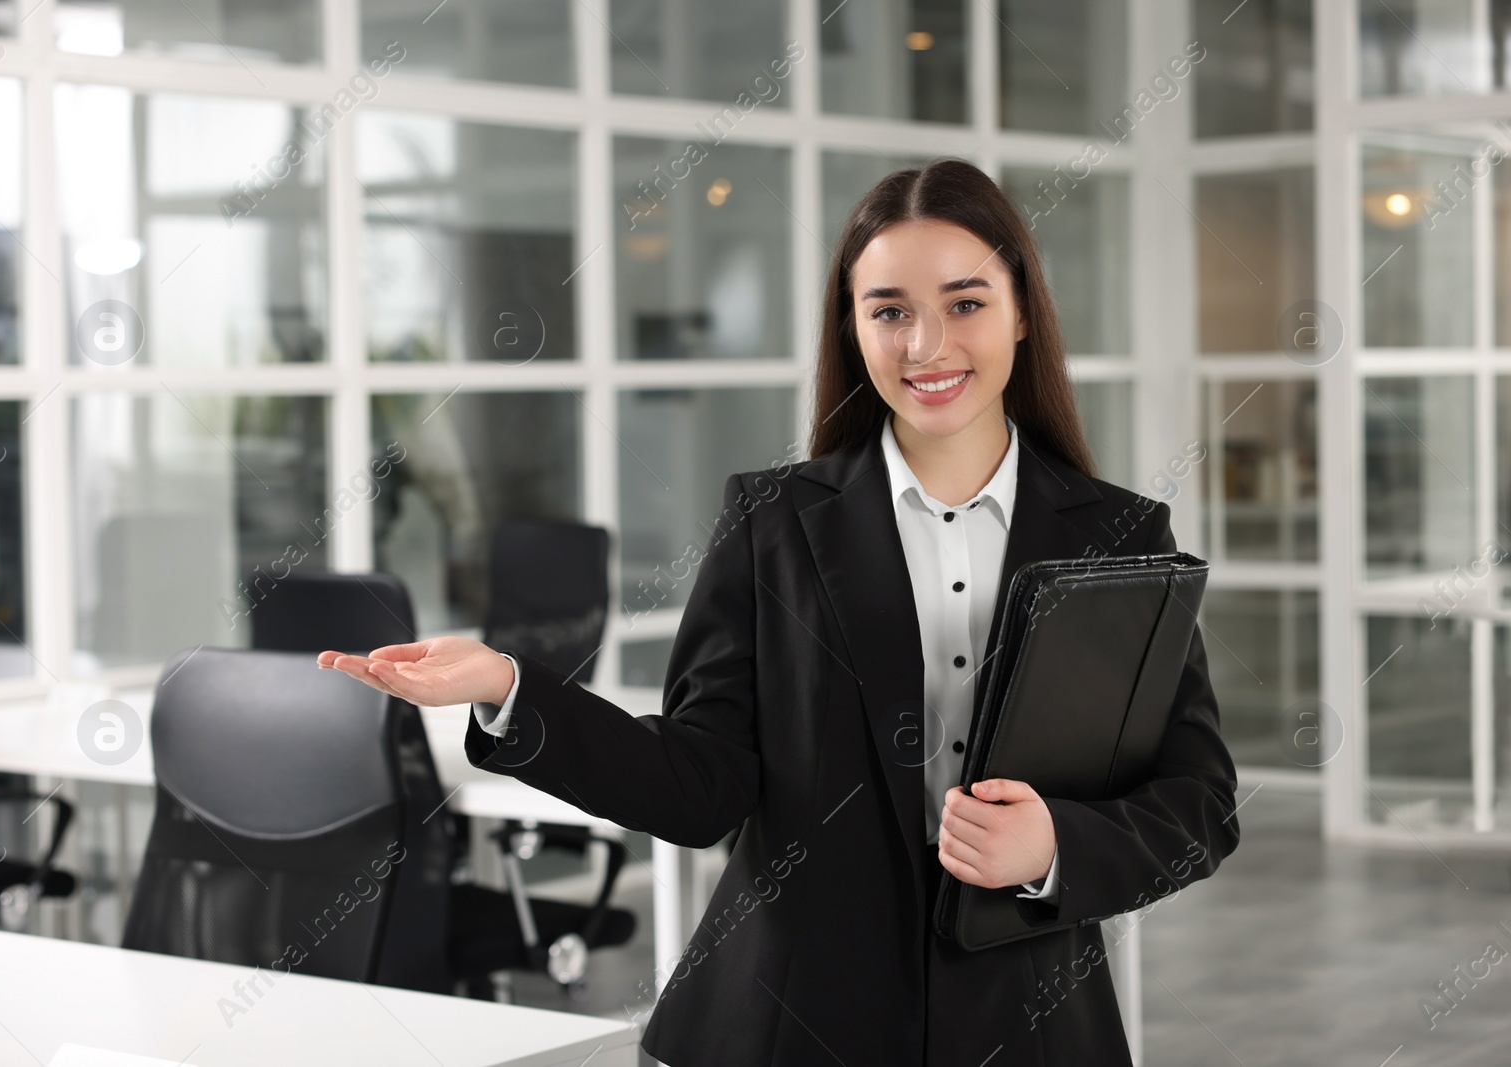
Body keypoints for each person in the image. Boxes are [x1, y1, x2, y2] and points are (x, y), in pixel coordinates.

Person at [320, 157, 1240, 1066]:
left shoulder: (1119, 532)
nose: (927, 345)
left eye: (965, 303)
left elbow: (1197, 802)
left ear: (1023, 312)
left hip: (1030, 1025)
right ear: (852, 323)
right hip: (790, 1018)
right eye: (889, 311)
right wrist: (509, 688)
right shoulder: (773, 523)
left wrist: (1053, 846)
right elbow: (698, 783)